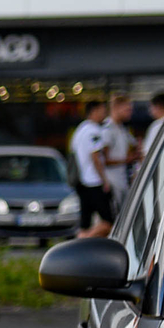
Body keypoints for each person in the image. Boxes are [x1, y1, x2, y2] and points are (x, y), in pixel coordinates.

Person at [69, 98, 114, 237]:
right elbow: (95, 157)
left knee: (85, 223)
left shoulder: (80, 130)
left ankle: (80, 245)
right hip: (94, 182)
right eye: (102, 111)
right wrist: (104, 179)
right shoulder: (93, 131)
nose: (105, 114)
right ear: (93, 111)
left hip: (82, 182)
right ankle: (84, 240)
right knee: (109, 222)